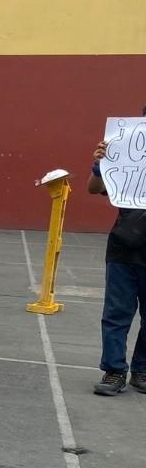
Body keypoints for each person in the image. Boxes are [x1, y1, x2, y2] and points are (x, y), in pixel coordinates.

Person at [90, 127, 146, 397]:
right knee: (116, 313)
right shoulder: (124, 150)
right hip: (125, 245)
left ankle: (142, 370)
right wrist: (101, 163)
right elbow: (94, 189)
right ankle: (114, 371)